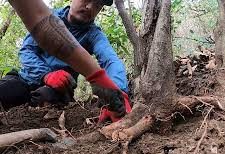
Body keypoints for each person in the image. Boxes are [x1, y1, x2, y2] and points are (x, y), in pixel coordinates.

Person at [1, 0, 131, 122]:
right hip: (25, 79)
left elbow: (111, 60)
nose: (90, 7)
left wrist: (118, 92)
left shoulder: (94, 35)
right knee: (7, 91)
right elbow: (27, 50)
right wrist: (45, 74)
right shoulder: (47, 17)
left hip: (59, 89)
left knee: (44, 97)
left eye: (97, 5)